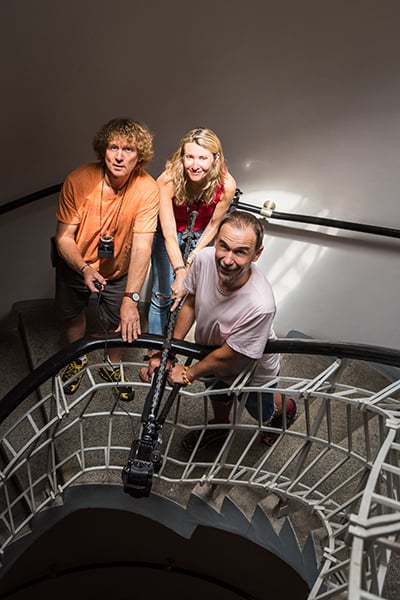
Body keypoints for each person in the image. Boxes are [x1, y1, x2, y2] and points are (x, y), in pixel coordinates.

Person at [145, 210, 297, 449]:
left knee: (261, 411)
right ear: (215, 241)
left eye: (240, 252)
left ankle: (286, 409)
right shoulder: (204, 259)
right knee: (217, 391)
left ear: (257, 254)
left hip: (250, 369)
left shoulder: (260, 304)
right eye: (223, 246)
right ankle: (220, 426)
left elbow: (231, 355)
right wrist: (169, 352)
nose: (227, 259)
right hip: (210, 351)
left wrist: (189, 373)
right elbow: (192, 301)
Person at [55, 117, 160, 401]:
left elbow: (142, 245)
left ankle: (113, 367)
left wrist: (131, 297)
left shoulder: (148, 189)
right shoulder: (78, 179)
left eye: (128, 149)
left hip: (120, 270)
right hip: (75, 263)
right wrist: (84, 268)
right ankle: (77, 358)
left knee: (120, 322)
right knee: (73, 314)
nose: (119, 155)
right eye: (113, 147)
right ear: (103, 150)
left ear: (140, 157)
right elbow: (63, 237)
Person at [145, 127, 237, 352]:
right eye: (190, 157)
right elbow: (167, 231)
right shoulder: (167, 180)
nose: (195, 165)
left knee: (190, 295)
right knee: (162, 293)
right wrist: (180, 270)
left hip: (202, 236)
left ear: (216, 159)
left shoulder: (226, 185)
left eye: (203, 158)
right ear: (182, 156)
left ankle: (174, 347)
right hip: (170, 233)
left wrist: (192, 258)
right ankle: (155, 353)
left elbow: (214, 225)